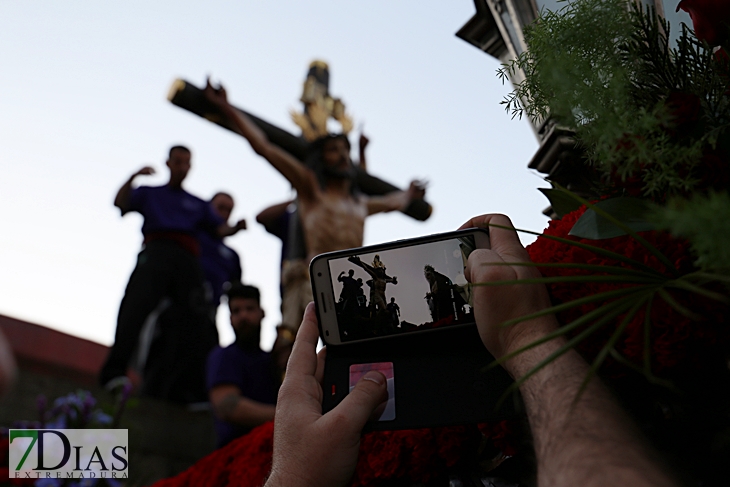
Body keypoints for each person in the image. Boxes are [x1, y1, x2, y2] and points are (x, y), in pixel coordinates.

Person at [264, 214, 680, 487]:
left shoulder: (406, 281)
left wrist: (293, 479)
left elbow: (392, 283)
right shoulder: (376, 280)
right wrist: (526, 338)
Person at [204, 80, 425, 333]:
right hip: (313, 282)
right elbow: (264, 147)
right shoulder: (311, 193)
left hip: (350, 285)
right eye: (333, 150)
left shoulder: (362, 204)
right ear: (321, 159)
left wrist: (410, 193)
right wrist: (226, 107)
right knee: (296, 345)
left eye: (345, 149)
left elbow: (394, 202)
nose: (342, 156)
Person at [100, 146, 245, 403]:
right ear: (168, 163)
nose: (181, 167)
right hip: (157, 252)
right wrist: (134, 176)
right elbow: (120, 202)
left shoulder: (198, 205)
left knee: (195, 321)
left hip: (187, 260)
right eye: (177, 161)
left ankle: (191, 392)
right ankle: (114, 373)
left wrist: (235, 229)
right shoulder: (150, 193)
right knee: (135, 309)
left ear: (190, 167)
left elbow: (219, 230)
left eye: (186, 163)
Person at [206, 283, 280, 448]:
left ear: (262, 313)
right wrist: (285, 416)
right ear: (230, 319)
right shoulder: (224, 356)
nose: (243, 316)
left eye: (249, 308)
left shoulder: (270, 360)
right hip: (237, 452)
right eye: (236, 311)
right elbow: (227, 406)